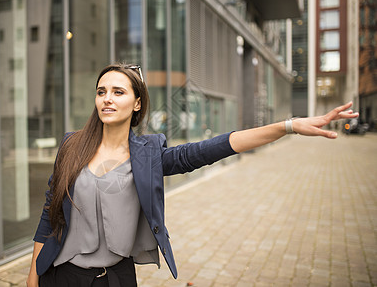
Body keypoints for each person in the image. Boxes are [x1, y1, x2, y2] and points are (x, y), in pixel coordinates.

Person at [27, 63, 358, 287]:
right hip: (62, 275)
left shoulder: (149, 155)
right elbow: (49, 216)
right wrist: (33, 278)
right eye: (101, 92)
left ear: (137, 103)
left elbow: (214, 147)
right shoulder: (71, 146)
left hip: (116, 279)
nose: (107, 99)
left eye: (118, 91)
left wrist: (287, 127)